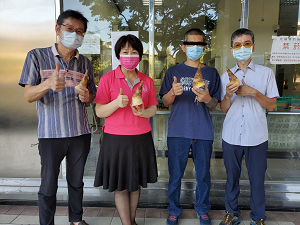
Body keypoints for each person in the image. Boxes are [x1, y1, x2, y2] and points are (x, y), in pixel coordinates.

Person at [19, 10, 96, 225]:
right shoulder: (36, 56)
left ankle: (76, 220)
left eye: (79, 31)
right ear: (57, 29)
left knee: (76, 182)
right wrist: (47, 84)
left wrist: (88, 96)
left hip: (80, 133)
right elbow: (27, 95)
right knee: (48, 185)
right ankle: (47, 222)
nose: (75, 34)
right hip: (51, 134)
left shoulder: (85, 63)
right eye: (70, 28)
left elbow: (90, 97)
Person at [93, 34, 158, 225]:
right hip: (115, 139)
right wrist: (115, 103)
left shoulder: (146, 80)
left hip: (141, 138)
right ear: (118, 55)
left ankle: (132, 220)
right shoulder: (108, 79)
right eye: (125, 52)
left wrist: (142, 113)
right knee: (121, 187)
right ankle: (126, 224)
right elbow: (99, 110)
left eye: (134, 52)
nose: (130, 56)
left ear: (140, 56)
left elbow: (153, 107)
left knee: (135, 184)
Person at [159, 28, 221, 225]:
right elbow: (166, 101)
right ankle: (173, 210)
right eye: (191, 44)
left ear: (204, 47)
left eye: (200, 44)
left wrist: (208, 98)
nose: (196, 48)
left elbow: (215, 104)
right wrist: (172, 92)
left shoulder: (211, 72)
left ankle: (202, 209)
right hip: (178, 131)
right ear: (183, 47)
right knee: (175, 175)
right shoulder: (173, 71)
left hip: (203, 131)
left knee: (203, 175)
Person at [219, 28, 279, 225]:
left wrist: (253, 92)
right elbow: (223, 108)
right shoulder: (225, 76)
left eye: (246, 44)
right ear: (232, 49)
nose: (242, 48)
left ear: (253, 47)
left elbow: (272, 105)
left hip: (257, 136)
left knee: (257, 180)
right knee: (231, 179)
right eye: (237, 45)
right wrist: (228, 95)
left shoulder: (266, 73)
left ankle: (258, 216)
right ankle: (232, 213)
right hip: (231, 135)